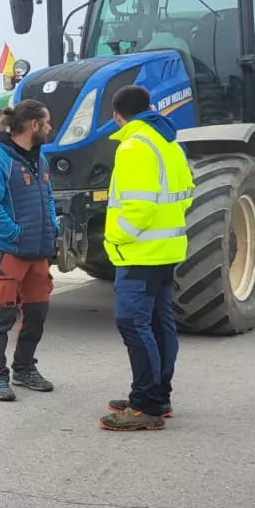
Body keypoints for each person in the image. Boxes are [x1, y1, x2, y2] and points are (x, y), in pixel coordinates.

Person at [101, 84, 194, 431]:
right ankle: (159, 395)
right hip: (167, 249)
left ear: (116, 115)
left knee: (134, 324)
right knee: (158, 322)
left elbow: (138, 208)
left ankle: (146, 406)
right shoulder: (168, 142)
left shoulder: (133, 146)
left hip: (139, 252)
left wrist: (114, 236)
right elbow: (186, 194)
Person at [0, 99, 59, 401]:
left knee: (37, 312)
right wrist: (15, 233)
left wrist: (52, 226)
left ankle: (24, 368)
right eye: (47, 122)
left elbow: (48, 196)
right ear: (33, 125)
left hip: (38, 251)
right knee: (2, 315)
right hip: (8, 251)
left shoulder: (40, 159)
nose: (50, 128)